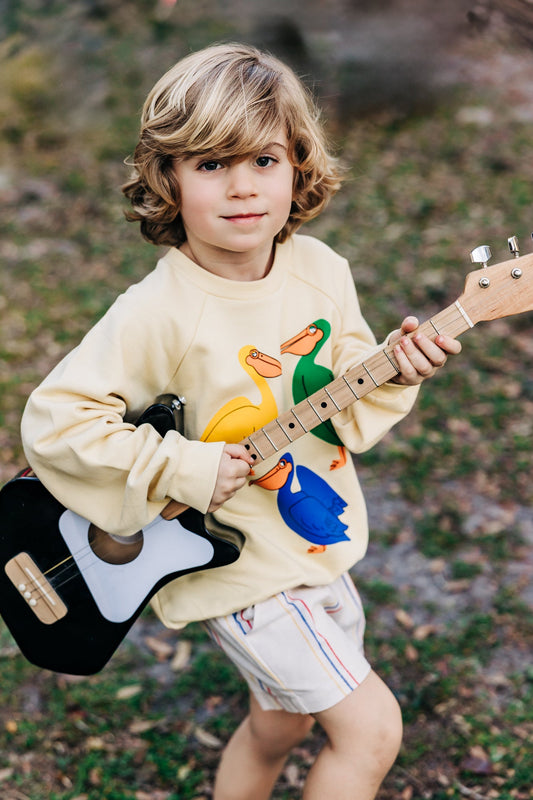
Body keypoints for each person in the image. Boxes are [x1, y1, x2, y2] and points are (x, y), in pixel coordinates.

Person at [21, 43, 461, 800]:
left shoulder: (320, 270)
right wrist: (185, 468)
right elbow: (57, 422)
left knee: (276, 727)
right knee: (371, 731)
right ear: (169, 179)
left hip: (313, 544)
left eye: (263, 160)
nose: (243, 187)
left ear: (298, 166)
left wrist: (397, 368)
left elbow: (342, 395)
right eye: (211, 164)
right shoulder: (158, 311)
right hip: (237, 569)